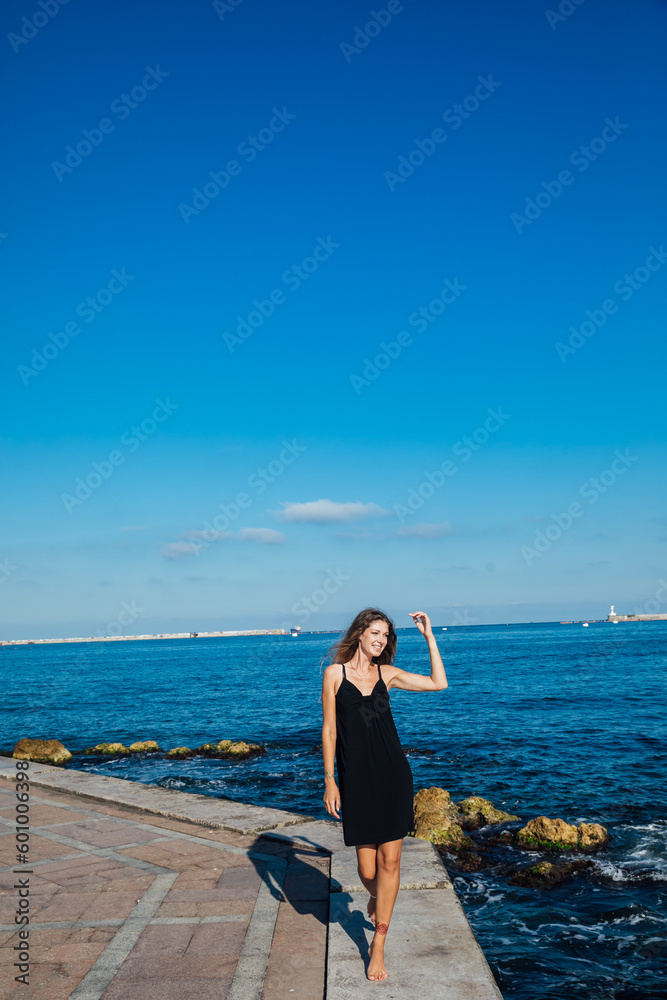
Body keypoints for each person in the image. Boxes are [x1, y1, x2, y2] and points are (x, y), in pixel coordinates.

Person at [321, 607, 448, 982]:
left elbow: (438, 683)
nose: (380, 640)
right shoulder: (334, 675)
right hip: (357, 780)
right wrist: (330, 779)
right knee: (367, 869)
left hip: (393, 775)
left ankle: (378, 944)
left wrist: (429, 637)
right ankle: (377, 897)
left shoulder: (387, 675)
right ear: (360, 633)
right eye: (375, 632)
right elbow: (329, 731)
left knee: (391, 863)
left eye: (385, 636)